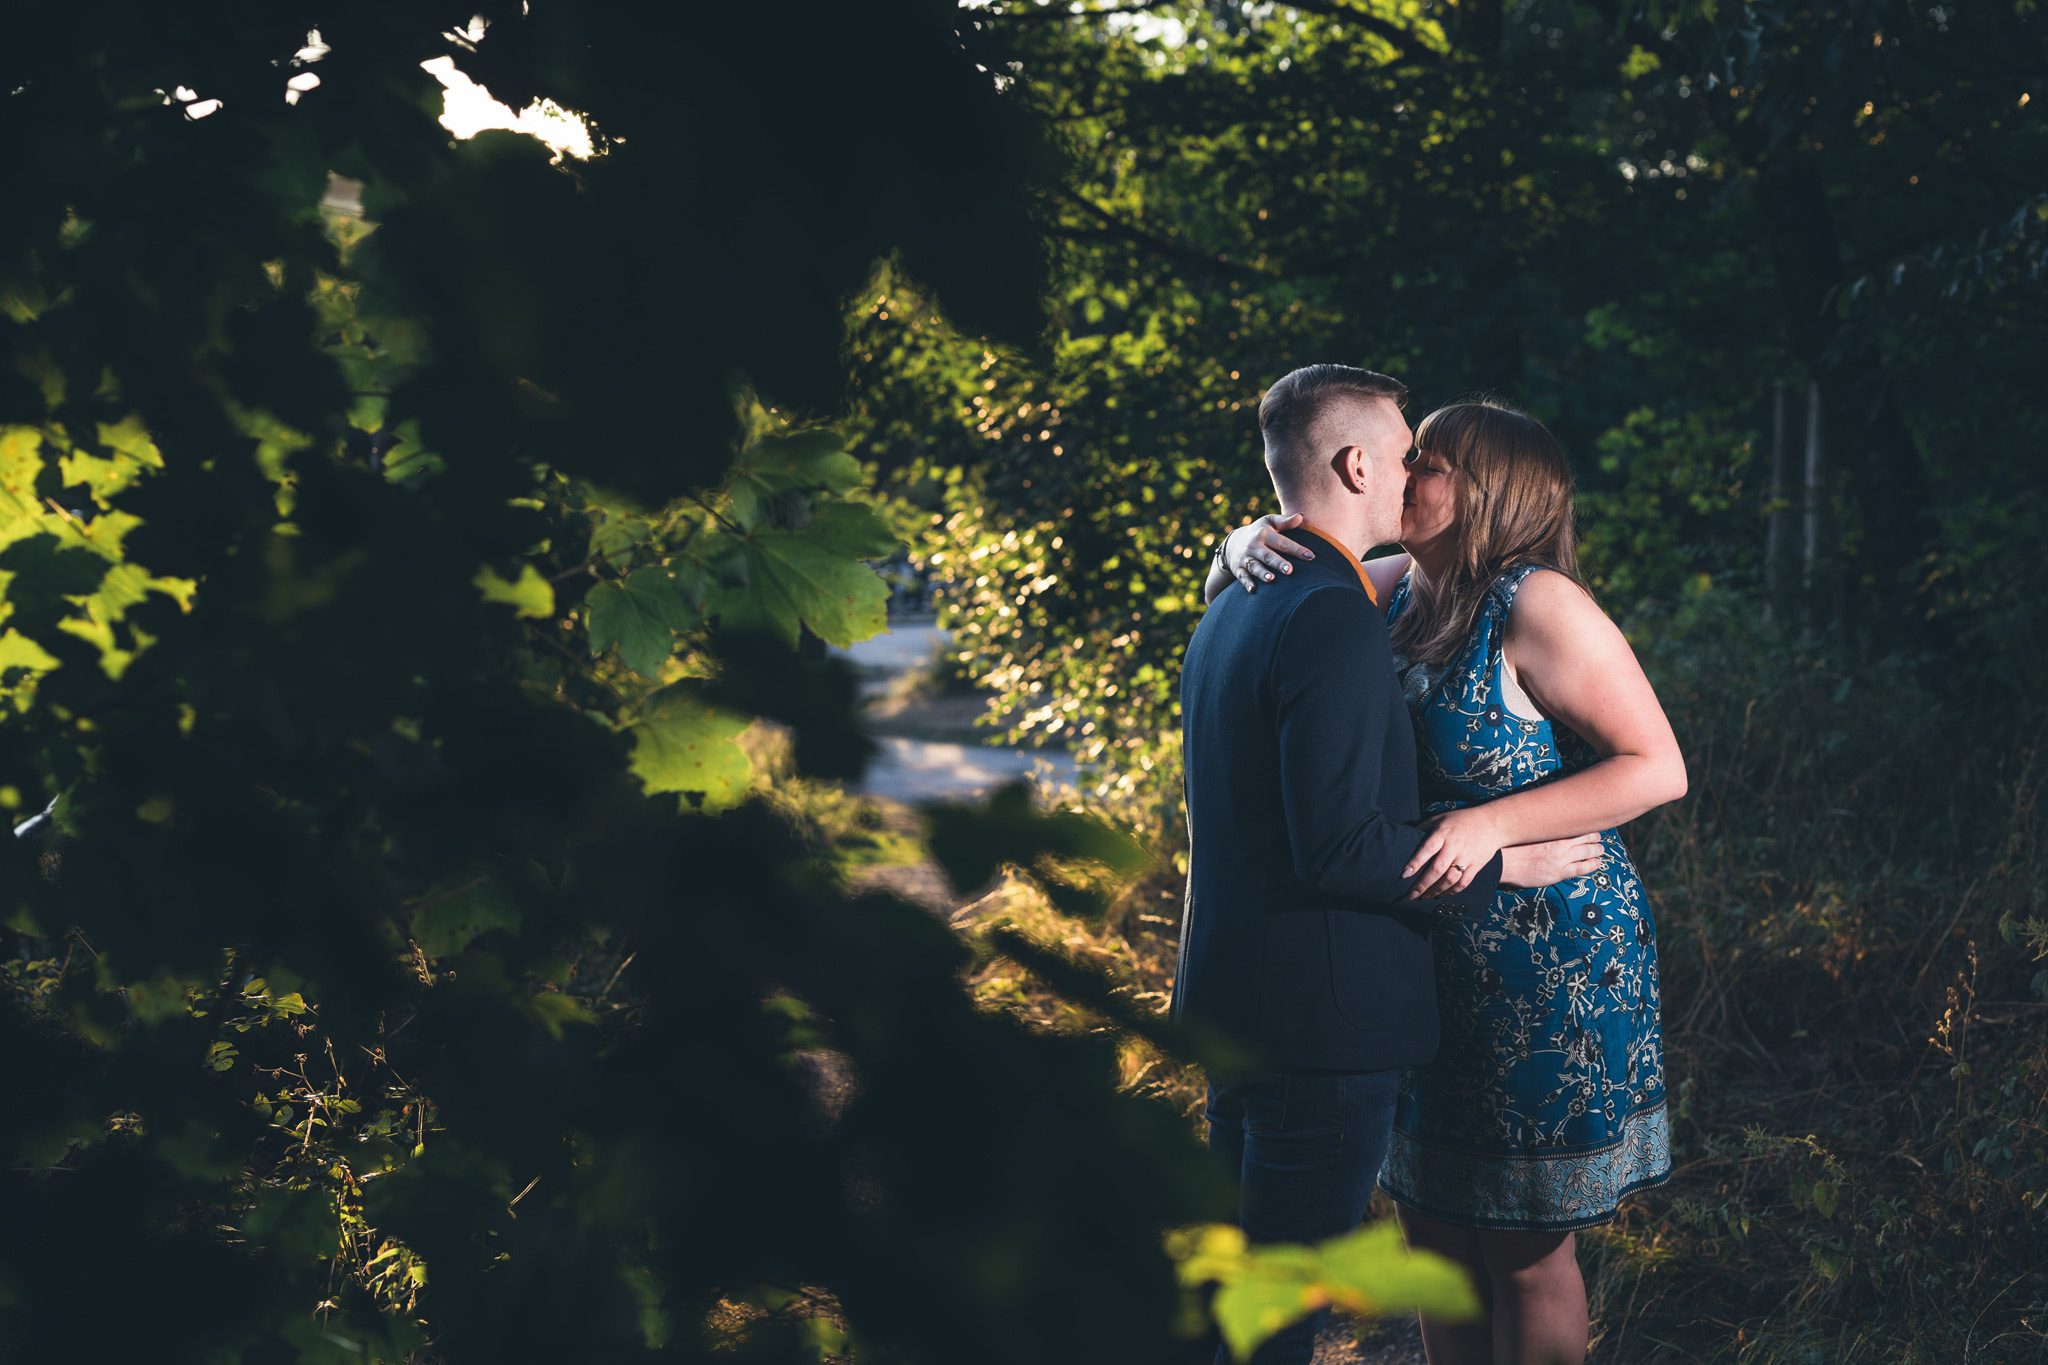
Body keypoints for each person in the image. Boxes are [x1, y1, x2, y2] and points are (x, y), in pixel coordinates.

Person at [1206, 398, 1686, 1365]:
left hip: (1544, 956)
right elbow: (1285, 608)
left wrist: (1493, 822)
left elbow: (1656, 765)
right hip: (1424, 949)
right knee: (1432, 1230)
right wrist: (1237, 548)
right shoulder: (1392, 589)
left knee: (1518, 1246)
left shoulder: (1539, 602)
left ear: (1489, 491)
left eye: (1429, 460)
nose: (1404, 470)